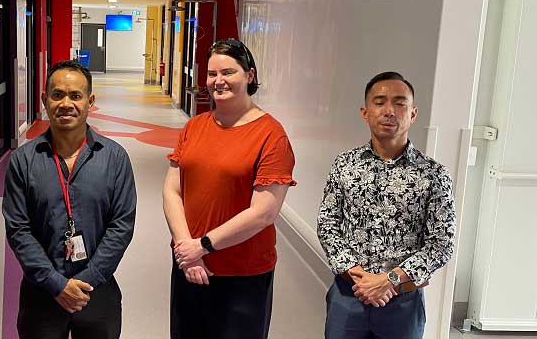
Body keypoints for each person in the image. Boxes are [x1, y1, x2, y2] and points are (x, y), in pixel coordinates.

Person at [165, 38, 296, 339]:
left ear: (250, 75)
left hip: (242, 275)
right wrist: (187, 249)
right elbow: (172, 191)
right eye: (212, 74)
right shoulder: (194, 127)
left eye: (228, 72)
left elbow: (263, 213)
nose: (217, 81)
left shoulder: (271, 136)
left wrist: (203, 245)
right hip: (189, 265)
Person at [2, 60, 136, 339]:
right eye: (57, 95)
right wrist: (56, 284)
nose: (66, 103)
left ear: (90, 101)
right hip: (42, 292)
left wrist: (85, 281)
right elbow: (18, 229)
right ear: (44, 100)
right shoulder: (23, 161)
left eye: (76, 95)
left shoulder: (114, 158)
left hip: (96, 290)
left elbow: (121, 226)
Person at [317, 71, 457, 338]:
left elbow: (442, 242)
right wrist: (362, 280)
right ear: (365, 112)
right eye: (379, 102)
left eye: (399, 103)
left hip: (403, 304)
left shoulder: (433, 174)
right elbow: (327, 224)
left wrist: (387, 281)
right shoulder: (345, 165)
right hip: (349, 296)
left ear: (413, 113)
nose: (389, 111)